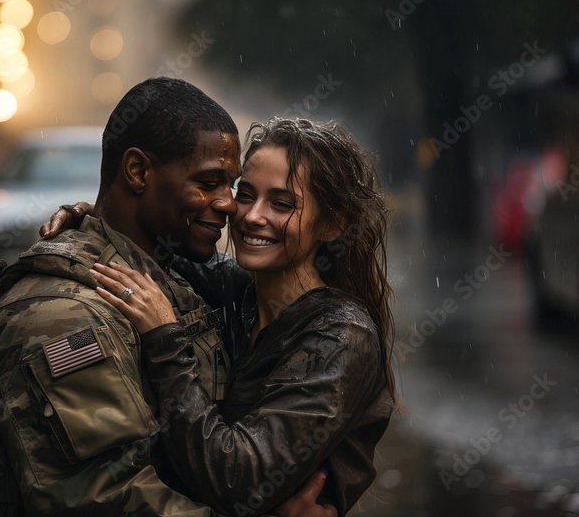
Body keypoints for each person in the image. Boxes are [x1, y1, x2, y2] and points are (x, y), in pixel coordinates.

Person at [0, 78, 328, 516]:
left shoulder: (162, 275)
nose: (227, 205)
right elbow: (106, 501)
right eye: (209, 183)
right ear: (138, 172)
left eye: (231, 186)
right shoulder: (64, 317)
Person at [49, 117, 397, 516]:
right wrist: (89, 218)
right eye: (246, 195)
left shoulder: (340, 334)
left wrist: (165, 341)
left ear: (333, 225)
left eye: (281, 204)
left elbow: (238, 479)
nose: (250, 216)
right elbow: (145, 241)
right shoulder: (235, 291)